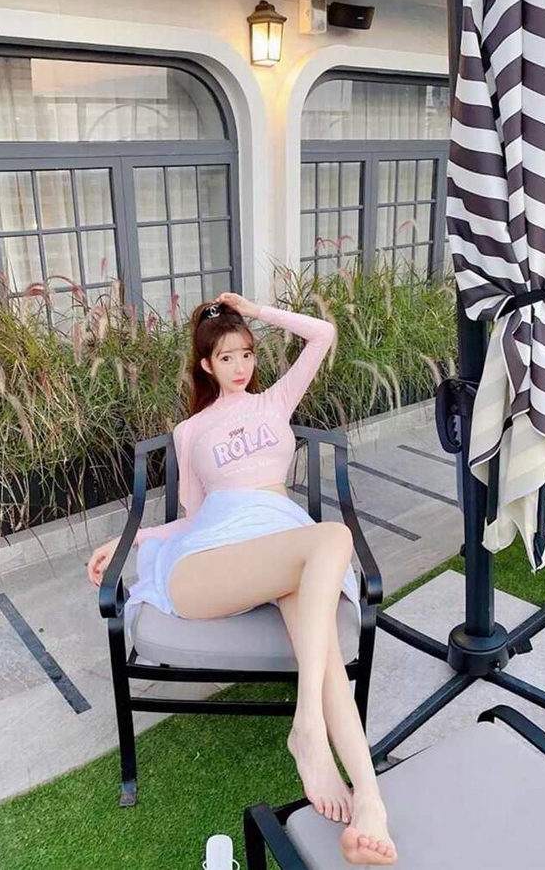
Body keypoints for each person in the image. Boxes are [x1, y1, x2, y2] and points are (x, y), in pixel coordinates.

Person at [88, 292, 397, 866]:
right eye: (227, 357)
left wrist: (256, 311)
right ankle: (308, 730)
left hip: (283, 545)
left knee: (324, 641)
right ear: (206, 364)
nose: (240, 366)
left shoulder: (275, 401)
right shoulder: (190, 431)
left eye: (247, 354)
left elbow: (323, 335)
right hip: (212, 560)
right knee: (332, 538)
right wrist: (130, 540)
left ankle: (370, 800)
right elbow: (191, 518)